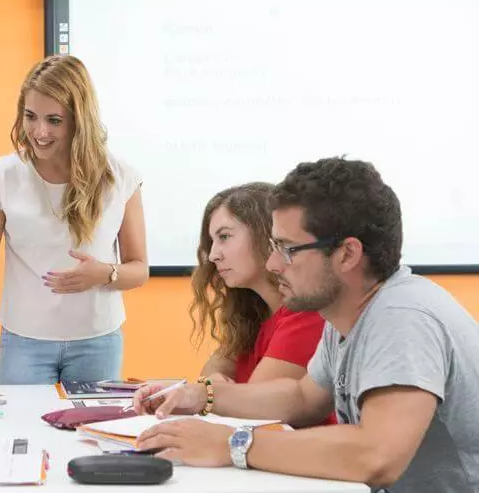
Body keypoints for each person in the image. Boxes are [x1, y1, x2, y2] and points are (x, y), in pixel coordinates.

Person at [132, 157, 479, 493]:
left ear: (347, 254)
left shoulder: (402, 318)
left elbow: (376, 455)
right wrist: (203, 395)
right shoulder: (347, 313)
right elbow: (302, 398)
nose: (273, 262)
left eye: (286, 248)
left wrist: (233, 444)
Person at [0, 55, 148, 386]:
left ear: (80, 120)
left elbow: (139, 269)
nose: (40, 132)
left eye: (54, 120)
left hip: (98, 343)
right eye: (30, 116)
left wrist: (104, 274)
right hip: (24, 345)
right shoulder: (3, 176)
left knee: (88, 438)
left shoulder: (119, 178)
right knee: (21, 437)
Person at [192, 183, 326, 390]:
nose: (213, 255)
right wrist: (211, 384)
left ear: (267, 235)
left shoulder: (306, 312)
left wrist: (209, 392)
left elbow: (252, 403)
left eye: (224, 237)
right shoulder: (253, 314)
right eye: (212, 242)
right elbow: (211, 372)